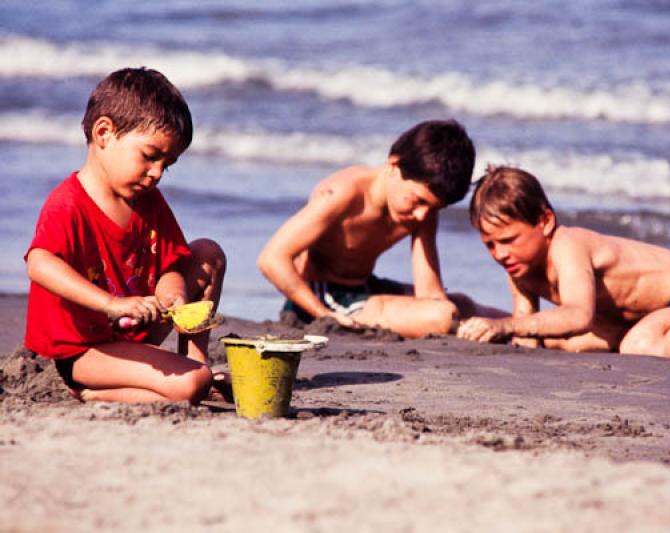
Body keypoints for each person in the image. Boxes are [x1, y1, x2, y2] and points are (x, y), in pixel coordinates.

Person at [25, 67, 226, 404]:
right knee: (192, 386)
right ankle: (90, 392)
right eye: (150, 156)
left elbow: (171, 266)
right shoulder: (68, 203)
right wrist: (111, 305)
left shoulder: (148, 201)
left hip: (135, 332)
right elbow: (39, 264)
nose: (158, 173)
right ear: (104, 133)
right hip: (86, 350)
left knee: (208, 253)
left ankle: (194, 362)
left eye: (168, 164)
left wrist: (172, 295)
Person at [457, 166, 670, 361]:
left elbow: (577, 314)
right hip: (652, 318)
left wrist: (504, 326)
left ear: (544, 221)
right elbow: (527, 330)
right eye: (489, 245)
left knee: (638, 346)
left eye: (508, 240)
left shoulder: (568, 244)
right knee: (565, 341)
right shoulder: (520, 269)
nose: (500, 254)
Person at [258, 119, 501, 338]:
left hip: (365, 287)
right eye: (419, 201)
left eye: (434, 208)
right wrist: (323, 315)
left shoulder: (423, 210)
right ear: (394, 166)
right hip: (321, 296)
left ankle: (519, 327)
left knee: (461, 304)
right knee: (444, 316)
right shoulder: (344, 193)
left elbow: (430, 292)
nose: (422, 214)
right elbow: (272, 259)